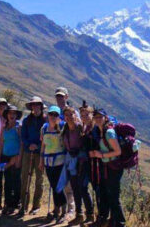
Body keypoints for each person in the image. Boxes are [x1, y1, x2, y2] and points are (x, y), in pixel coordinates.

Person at [90, 108, 125, 227]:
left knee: (113, 196)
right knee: (106, 194)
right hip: (107, 167)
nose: (98, 119)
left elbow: (118, 151)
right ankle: (111, 221)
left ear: (105, 118)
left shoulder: (108, 132)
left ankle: (120, 223)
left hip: (114, 168)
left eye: (100, 117)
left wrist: (101, 155)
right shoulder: (99, 131)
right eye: (96, 117)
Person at [62, 106, 94, 224]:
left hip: (82, 162)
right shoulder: (65, 129)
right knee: (75, 188)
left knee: (83, 188)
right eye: (66, 115)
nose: (69, 117)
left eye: (71, 114)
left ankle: (90, 215)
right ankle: (79, 214)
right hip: (71, 162)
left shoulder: (80, 128)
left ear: (75, 116)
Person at [19, 96, 46, 217]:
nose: (35, 107)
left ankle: (36, 206)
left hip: (40, 153)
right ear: (31, 107)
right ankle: (23, 205)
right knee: (25, 178)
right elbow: (23, 136)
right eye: (33, 105)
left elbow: (47, 137)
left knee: (39, 180)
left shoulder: (45, 121)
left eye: (37, 105)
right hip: (27, 152)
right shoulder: (26, 120)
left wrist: (38, 145)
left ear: (41, 106)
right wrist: (30, 144)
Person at [39, 106, 67, 223]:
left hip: (60, 162)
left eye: (55, 115)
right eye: (51, 114)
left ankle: (62, 211)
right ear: (48, 115)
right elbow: (43, 146)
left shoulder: (62, 127)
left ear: (59, 116)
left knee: (58, 186)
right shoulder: (44, 128)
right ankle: (57, 210)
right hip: (48, 162)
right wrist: (41, 161)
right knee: (53, 186)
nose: (53, 117)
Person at [54, 86, 76, 215]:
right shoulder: (55, 111)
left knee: (69, 182)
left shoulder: (72, 112)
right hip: (57, 151)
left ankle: (71, 209)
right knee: (59, 179)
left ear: (66, 97)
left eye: (61, 96)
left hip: (69, 152)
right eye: (57, 96)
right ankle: (60, 206)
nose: (59, 98)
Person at [0, 105, 22, 215]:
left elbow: (22, 143)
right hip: (5, 157)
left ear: (16, 116)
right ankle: (7, 203)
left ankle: (15, 204)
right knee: (7, 181)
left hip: (15, 156)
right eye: (10, 113)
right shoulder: (4, 127)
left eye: (14, 113)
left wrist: (19, 158)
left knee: (16, 181)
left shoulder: (18, 127)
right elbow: (1, 143)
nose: (12, 115)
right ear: (7, 115)